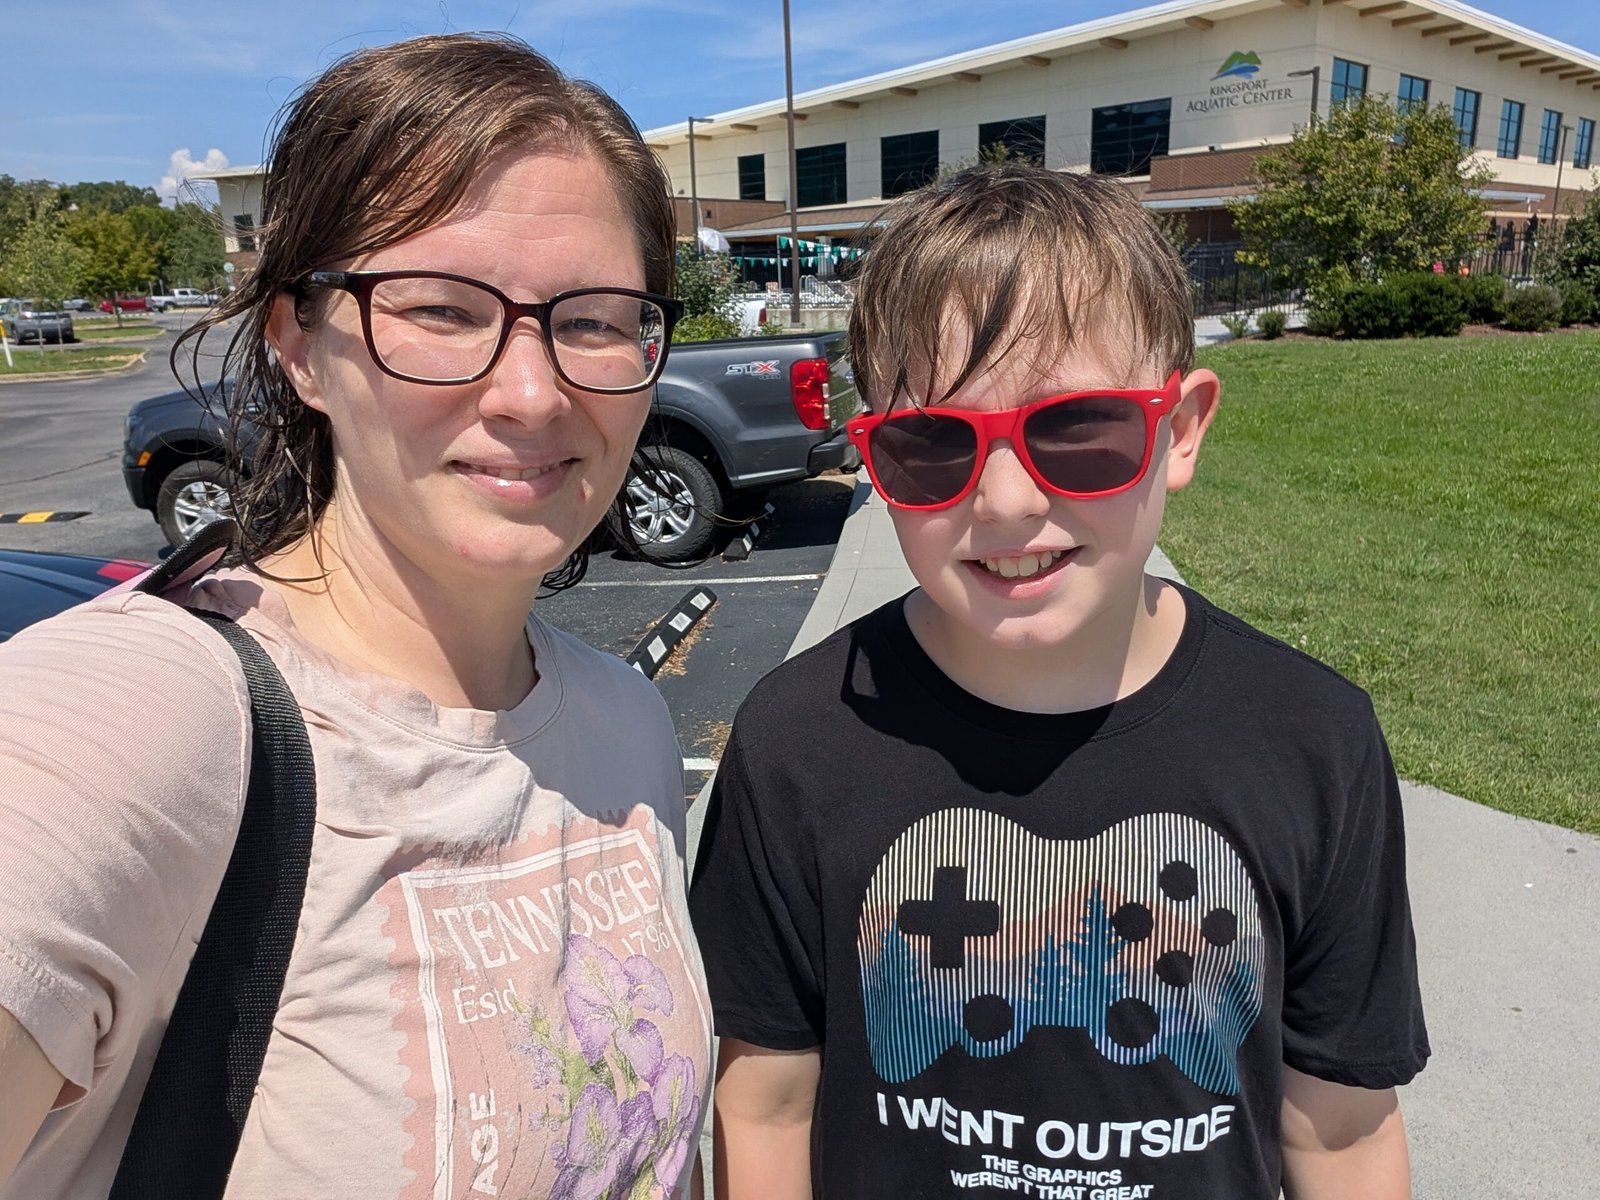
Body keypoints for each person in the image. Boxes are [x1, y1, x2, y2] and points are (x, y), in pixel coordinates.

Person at [0, 34, 710, 1199]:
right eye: (437, 308)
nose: (531, 392)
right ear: (299, 346)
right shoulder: (146, 725)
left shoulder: (624, 726)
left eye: (591, 319)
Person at [689, 164, 1428, 1198]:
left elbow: (1340, 1133)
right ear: (870, 459)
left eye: (1076, 429)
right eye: (928, 443)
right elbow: (768, 1101)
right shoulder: (799, 739)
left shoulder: (1311, 740)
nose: (1001, 502)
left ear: (1178, 430)